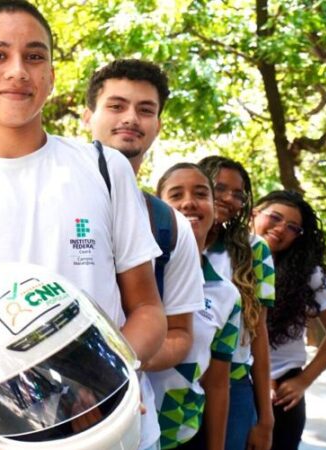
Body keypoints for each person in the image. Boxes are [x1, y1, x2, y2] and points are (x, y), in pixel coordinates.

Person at [0, 2, 167, 449]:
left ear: (53, 75)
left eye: (35, 56)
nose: (18, 70)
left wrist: (107, 377)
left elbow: (149, 311)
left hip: (114, 430)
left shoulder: (104, 168)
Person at [83, 58, 205, 450]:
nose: (131, 118)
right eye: (116, 106)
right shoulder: (41, 197)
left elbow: (181, 333)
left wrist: (110, 367)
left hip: (132, 427)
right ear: (88, 117)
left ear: (158, 125)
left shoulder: (170, 225)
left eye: (145, 110)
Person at [252, 191, 326, 450]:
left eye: (292, 227)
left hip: (282, 391)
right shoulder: (224, 259)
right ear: (253, 214)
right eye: (275, 217)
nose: (281, 228)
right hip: (234, 382)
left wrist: (303, 380)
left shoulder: (308, 274)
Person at [154, 164, 242, 449]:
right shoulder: (133, 273)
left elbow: (217, 384)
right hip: (128, 431)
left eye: (201, 193)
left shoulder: (227, 295)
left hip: (183, 435)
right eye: (176, 195)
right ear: (158, 208)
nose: (189, 202)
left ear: (214, 209)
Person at [197, 156, 275, 450]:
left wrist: (266, 418)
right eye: (220, 188)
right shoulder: (169, 239)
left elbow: (259, 333)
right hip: (174, 382)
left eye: (239, 194)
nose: (230, 199)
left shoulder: (254, 249)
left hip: (234, 382)